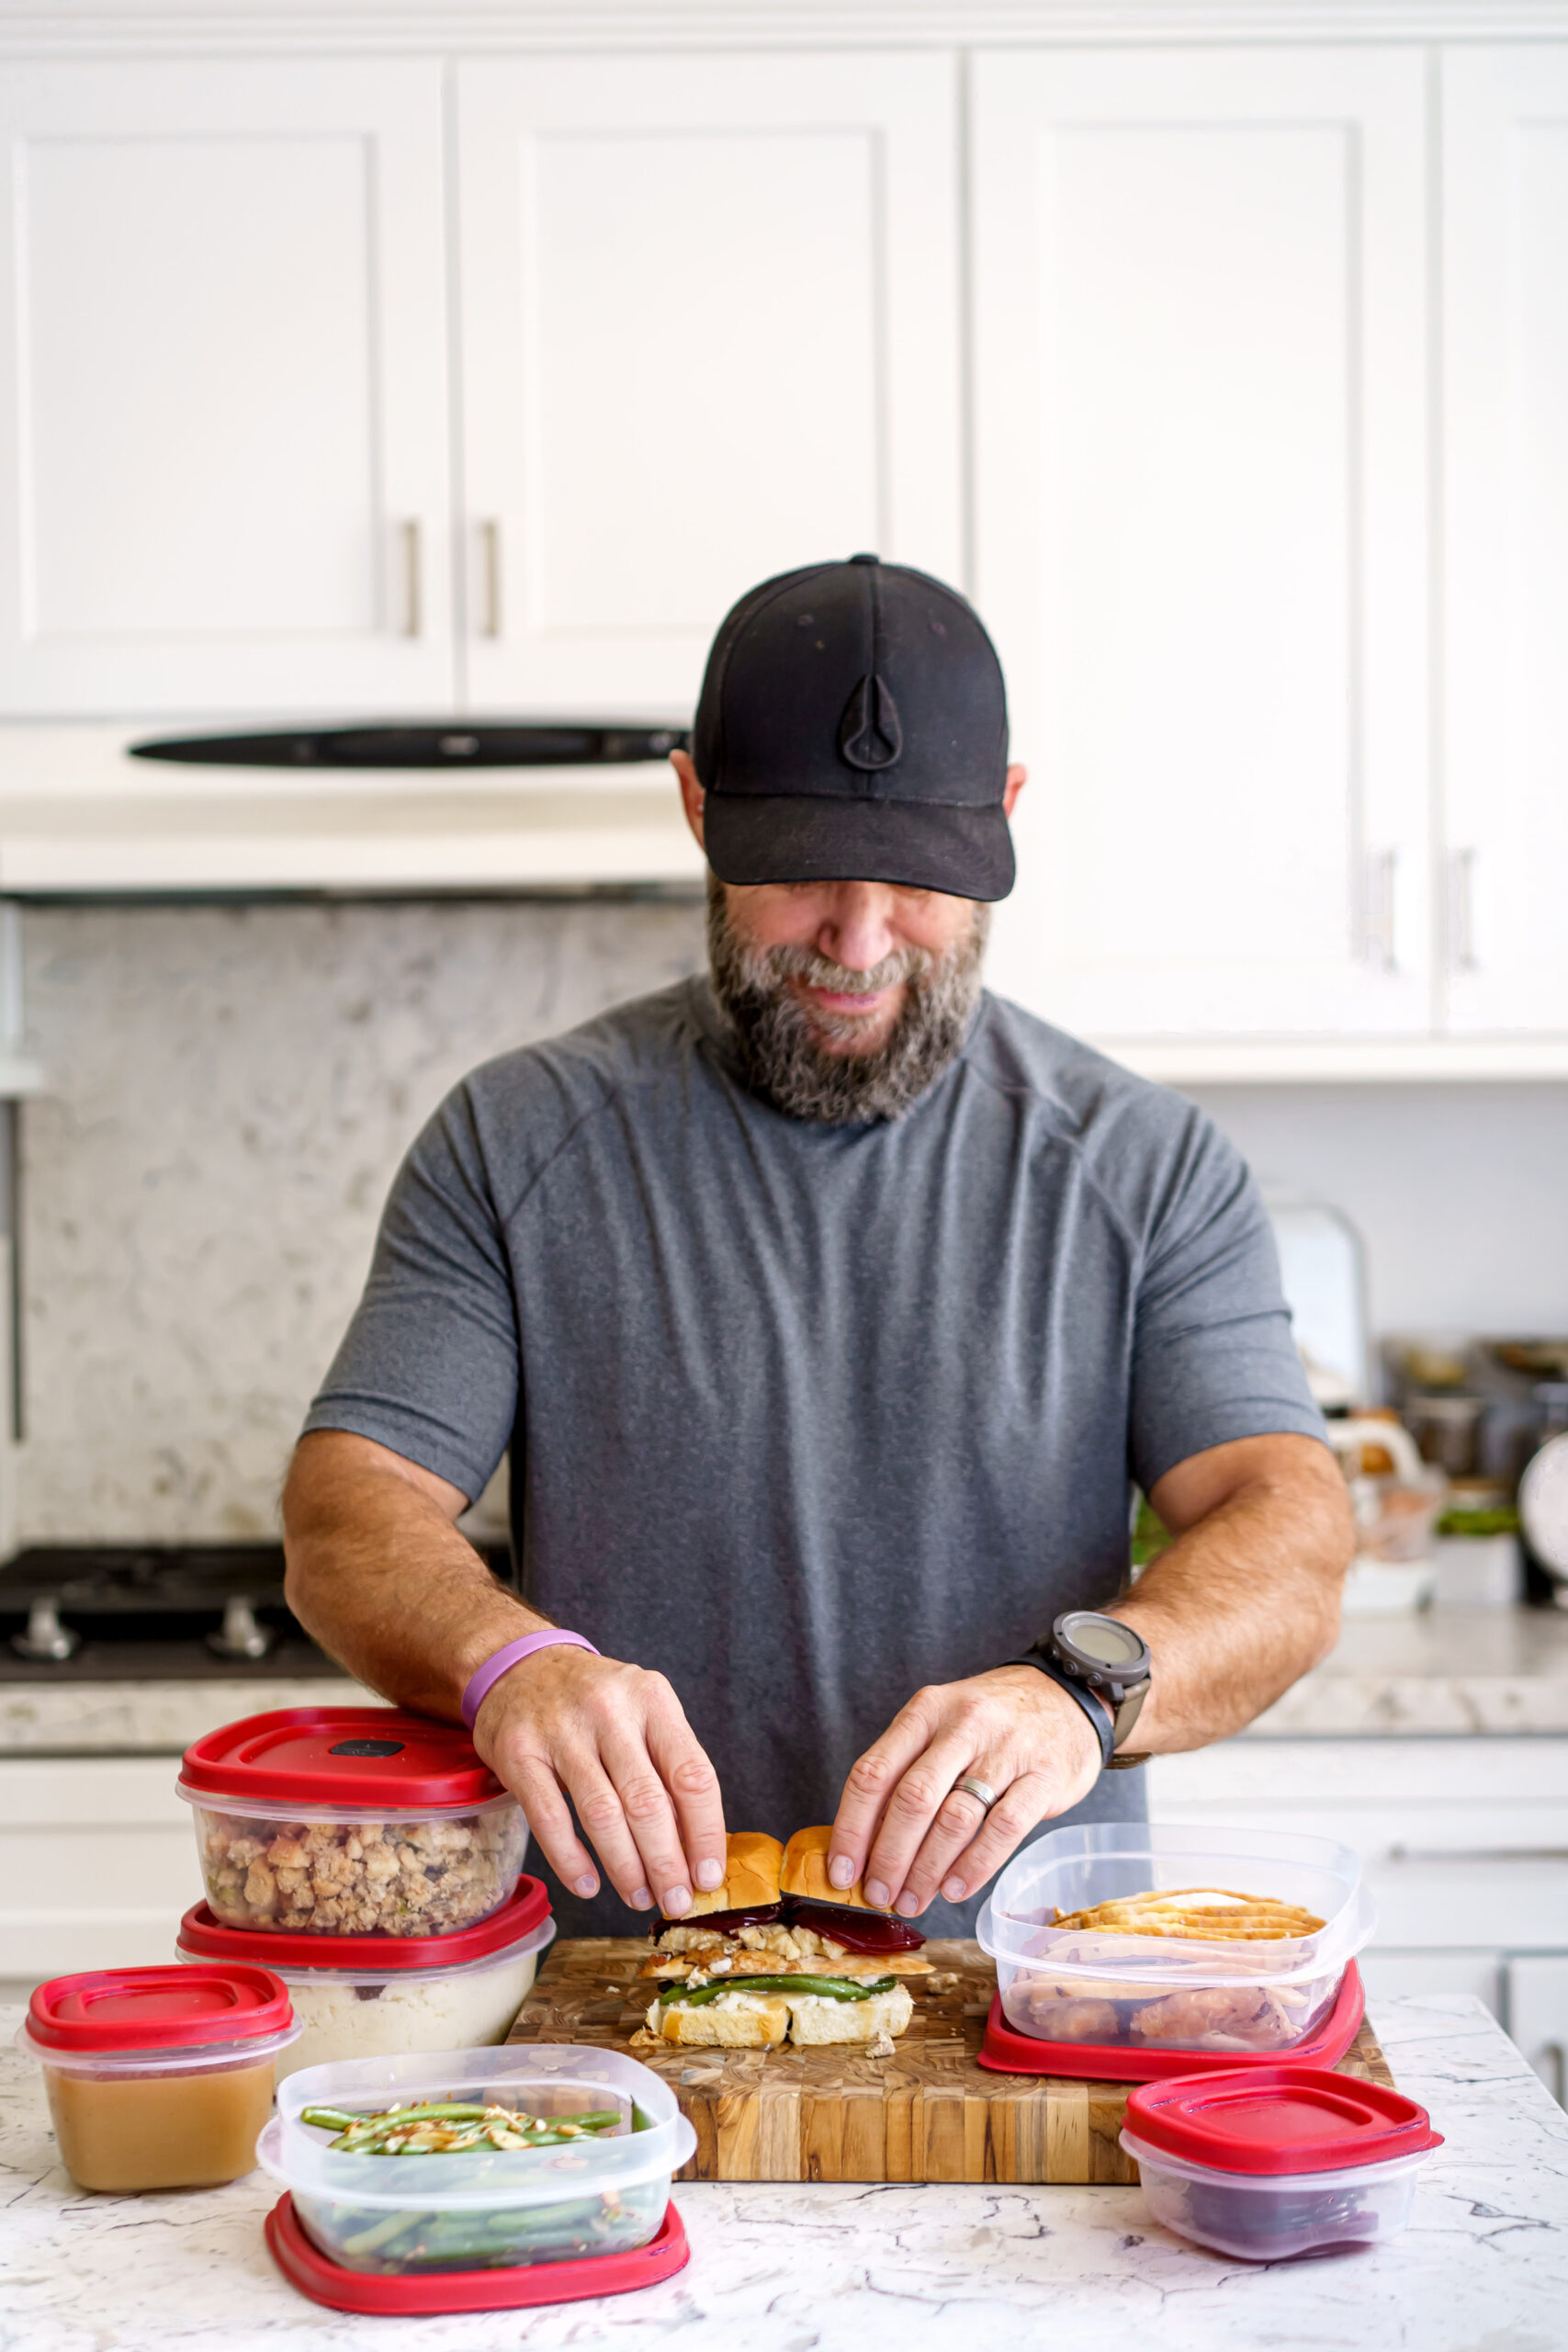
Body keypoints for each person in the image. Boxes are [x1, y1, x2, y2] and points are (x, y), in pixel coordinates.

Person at [282, 553, 1352, 1939]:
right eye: (798, 873)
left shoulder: (1146, 1165)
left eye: (915, 878)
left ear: (1004, 814)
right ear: (696, 809)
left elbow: (1290, 1526)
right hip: (611, 2005)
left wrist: (1087, 1693)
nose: (857, 939)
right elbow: (346, 1508)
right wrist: (506, 1662)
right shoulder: (516, 1138)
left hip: (1027, 1998)